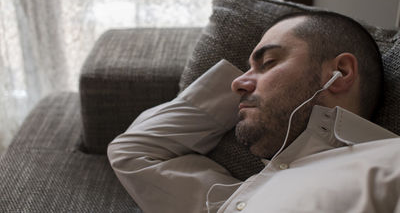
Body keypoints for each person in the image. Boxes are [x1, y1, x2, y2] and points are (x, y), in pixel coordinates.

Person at [107, 11, 400, 213]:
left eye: (269, 62)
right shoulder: (234, 196)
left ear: (340, 72)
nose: (236, 83)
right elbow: (131, 152)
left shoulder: (390, 162)